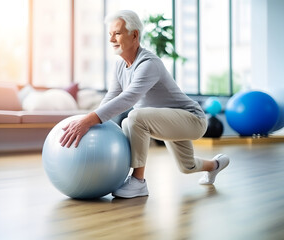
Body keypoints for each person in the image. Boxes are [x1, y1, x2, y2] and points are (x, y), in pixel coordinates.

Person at [60, 10, 229, 198]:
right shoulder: (120, 65)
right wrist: (93, 121)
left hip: (192, 119)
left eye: (117, 33)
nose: (111, 40)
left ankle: (138, 182)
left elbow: (129, 98)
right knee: (186, 166)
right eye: (110, 34)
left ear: (134, 35)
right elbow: (112, 96)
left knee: (133, 118)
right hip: (165, 119)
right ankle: (215, 165)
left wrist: (88, 120)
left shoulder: (149, 63)